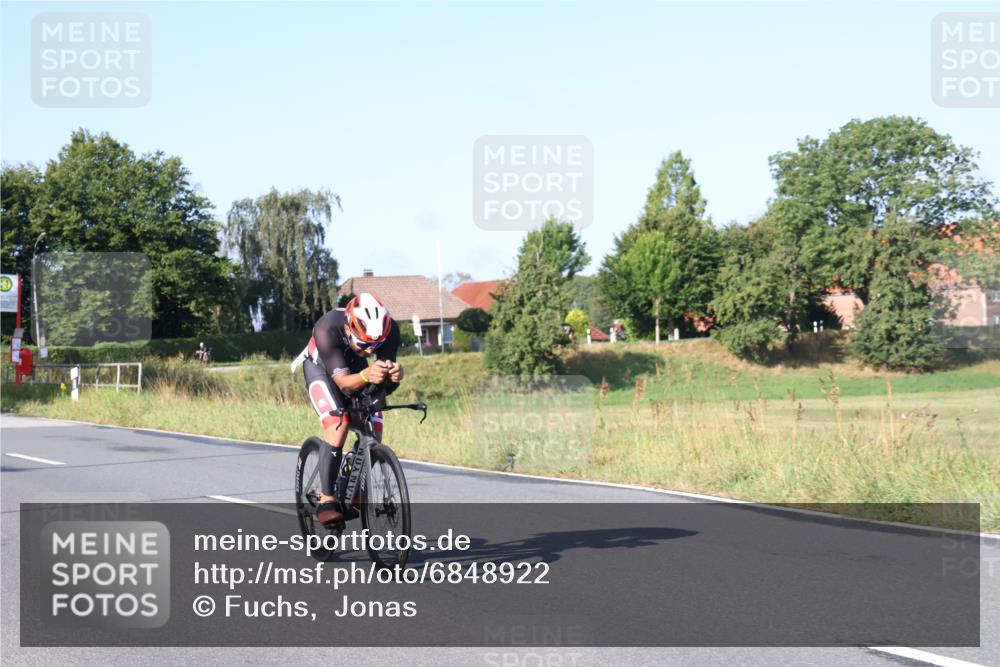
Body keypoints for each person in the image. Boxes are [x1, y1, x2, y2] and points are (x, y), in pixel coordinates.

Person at [292, 293, 404, 524]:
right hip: (321, 368)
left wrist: (394, 378)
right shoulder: (327, 329)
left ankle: (352, 480)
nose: (368, 352)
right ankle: (326, 499)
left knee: (375, 424)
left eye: (375, 347)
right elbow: (343, 383)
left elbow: (383, 389)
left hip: (354, 368)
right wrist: (365, 374)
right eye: (363, 345)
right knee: (339, 423)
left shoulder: (390, 331)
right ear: (350, 328)